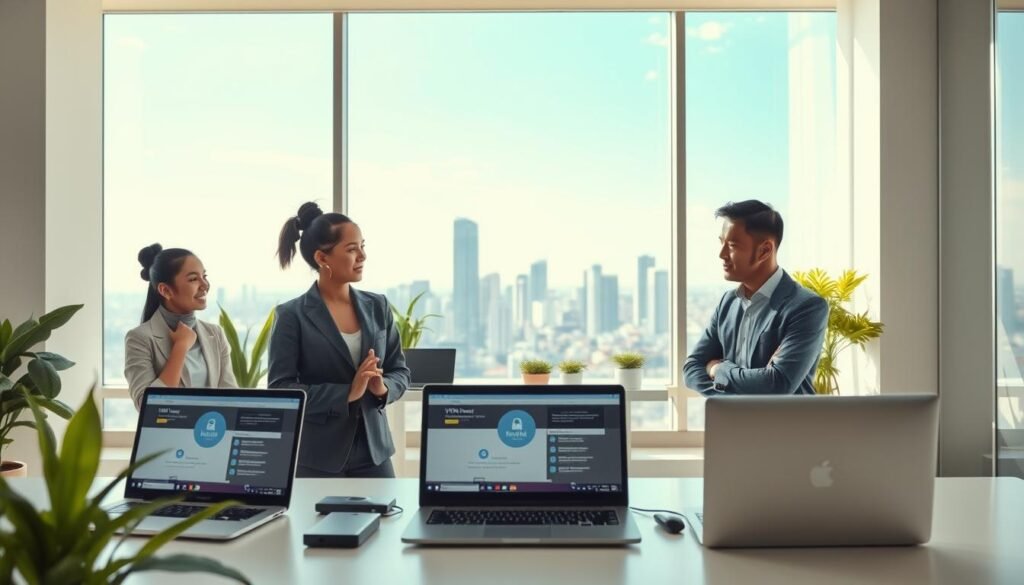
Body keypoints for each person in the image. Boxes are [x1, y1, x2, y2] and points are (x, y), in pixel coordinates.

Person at [269, 202, 410, 478]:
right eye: (351, 249)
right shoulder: (290, 315)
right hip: (318, 456)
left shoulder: (378, 306)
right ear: (322, 258)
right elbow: (280, 389)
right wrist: (347, 392)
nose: (363, 256)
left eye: (362, 246)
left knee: (386, 521)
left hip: (374, 452)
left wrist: (382, 388)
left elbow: (400, 371)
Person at [683, 200, 828, 395]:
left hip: (784, 425)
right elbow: (692, 368)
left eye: (732, 246)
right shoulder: (728, 303)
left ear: (764, 250)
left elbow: (777, 383)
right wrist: (731, 396)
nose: (722, 254)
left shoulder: (806, 307)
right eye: (721, 243)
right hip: (731, 425)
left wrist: (718, 369)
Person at [124, 244, 237, 409]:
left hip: (212, 432)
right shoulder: (140, 338)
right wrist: (181, 346)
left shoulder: (215, 334)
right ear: (165, 290)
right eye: (193, 279)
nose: (204, 285)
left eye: (204, 276)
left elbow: (231, 399)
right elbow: (147, 408)